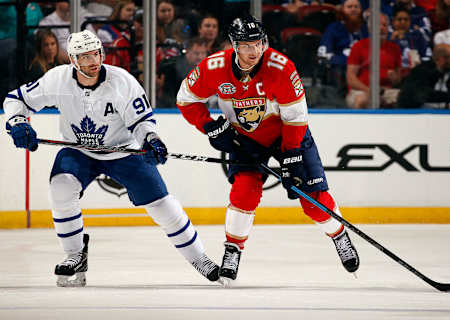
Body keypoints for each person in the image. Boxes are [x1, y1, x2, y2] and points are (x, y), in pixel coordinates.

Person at [3, 30, 222, 287]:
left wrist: (151, 140)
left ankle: (200, 258)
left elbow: (141, 121)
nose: (93, 60)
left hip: (123, 150)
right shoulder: (57, 79)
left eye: (96, 53)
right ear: (73, 60)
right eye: (85, 57)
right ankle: (74, 254)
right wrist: (18, 123)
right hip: (79, 151)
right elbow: (15, 100)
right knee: (60, 188)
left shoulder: (122, 81)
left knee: (162, 204)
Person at [176, 14, 360, 283]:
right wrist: (209, 126)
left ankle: (339, 234)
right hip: (245, 138)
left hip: (287, 133)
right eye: (247, 45)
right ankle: (233, 249)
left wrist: (292, 156)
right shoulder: (214, 67)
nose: (254, 51)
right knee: (244, 191)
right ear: (234, 46)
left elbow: (296, 116)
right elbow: (186, 98)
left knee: (313, 200)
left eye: (258, 44)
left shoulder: (281, 67)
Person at [346, 13, 402, 108]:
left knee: (405, 98)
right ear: (369, 29)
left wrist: (394, 78)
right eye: (378, 25)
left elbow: (398, 79)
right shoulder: (359, 46)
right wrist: (370, 91)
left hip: (386, 91)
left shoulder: (395, 48)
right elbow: (351, 78)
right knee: (362, 100)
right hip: (362, 90)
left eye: (384, 25)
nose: (381, 28)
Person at [317, 0, 369, 97]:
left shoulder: (366, 29)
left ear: (361, 10)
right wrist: (348, 62)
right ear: (342, 10)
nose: (353, 9)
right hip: (341, 71)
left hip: (366, 72)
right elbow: (323, 55)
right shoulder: (333, 28)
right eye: (349, 7)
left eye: (356, 7)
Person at [397, 43, 450, 109]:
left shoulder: (448, 72)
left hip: (439, 113)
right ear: (442, 59)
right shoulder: (421, 71)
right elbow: (423, 94)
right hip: (413, 113)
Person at [157, 37, 208, 108]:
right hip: (171, 110)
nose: (200, 57)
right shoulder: (173, 68)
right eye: (196, 53)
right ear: (187, 52)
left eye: (203, 53)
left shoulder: (206, 68)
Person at [388, 4, 432, 69]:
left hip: (415, 70)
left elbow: (426, 54)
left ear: (410, 21)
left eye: (406, 19)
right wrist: (392, 40)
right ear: (393, 21)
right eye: (399, 19)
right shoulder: (388, 35)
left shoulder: (417, 35)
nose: (403, 22)